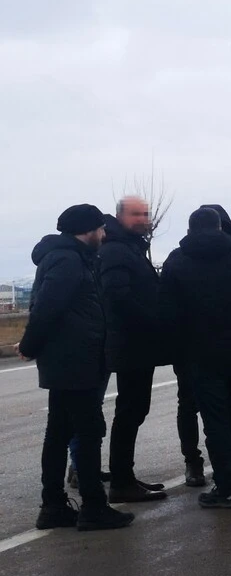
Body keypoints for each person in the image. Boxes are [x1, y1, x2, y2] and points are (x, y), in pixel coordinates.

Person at [20, 204, 134, 531]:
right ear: (87, 230)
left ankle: (53, 506)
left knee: (59, 433)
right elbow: (46, 308)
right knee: (88, 432)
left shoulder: (72, 257)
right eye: (100, 228)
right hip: (75, 362)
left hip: (71, 360)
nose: (104, 234)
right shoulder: (68, 261)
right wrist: (28, 346)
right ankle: (93, 507)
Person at [159, 208, 231, 509]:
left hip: (200, 354)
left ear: (190, 229)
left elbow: (166, 312)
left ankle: (226, 486)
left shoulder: (176, 262)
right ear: (221, 227)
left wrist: (178, 349)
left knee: (215, 421)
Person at [100, 196, 169, 503]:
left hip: (138, 343)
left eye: (145, 213)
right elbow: (118, 297)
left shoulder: (129, 246)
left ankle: (125, 477)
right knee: (130, 411)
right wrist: (154, 321)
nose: (143, 219)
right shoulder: (116, 249)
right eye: (136, 214)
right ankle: (121, 482)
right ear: (120, 217)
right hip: (130, 343)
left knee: (135, 410)